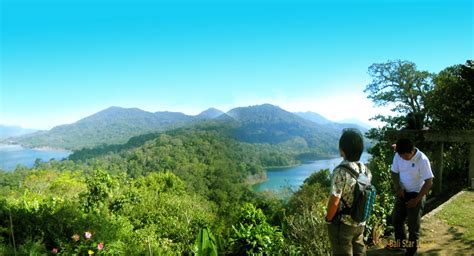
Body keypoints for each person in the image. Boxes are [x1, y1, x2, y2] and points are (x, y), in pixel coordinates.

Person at [326, 129, 371, 255]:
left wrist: (328, 219)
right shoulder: (366, 170)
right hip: (360, 221)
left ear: (342, 150)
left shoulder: (340, 171)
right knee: (359, 251)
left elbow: (335, 200)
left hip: (343, 224)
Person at [390, 138, 434, 256]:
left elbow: (429, 182)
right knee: (396, 220)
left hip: (417, 193)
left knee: (413, 225)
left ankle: (411, 251)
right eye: (400, 156)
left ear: (411, 152)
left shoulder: (422, 160)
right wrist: (398, 188)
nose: (402, 158)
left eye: (405, 156)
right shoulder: (398, 156)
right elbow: (394, 172)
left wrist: (416, 200)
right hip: (403, 192)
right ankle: (401, 244)